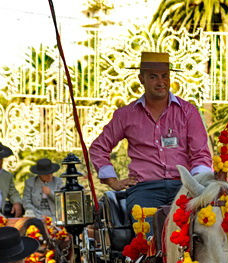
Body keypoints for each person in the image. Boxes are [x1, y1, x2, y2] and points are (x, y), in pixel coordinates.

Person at [89, 51, 212, 211]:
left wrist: (197, 183)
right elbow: (98, 148)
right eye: (153, 77)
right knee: (145, 229)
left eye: (164, 76)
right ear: (142, 79)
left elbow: (201, 154)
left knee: (200, 227)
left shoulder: (188, 112)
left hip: (183, 186)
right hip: (144, 189)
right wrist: (112, 180)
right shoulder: (125, 115)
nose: (161, 82)